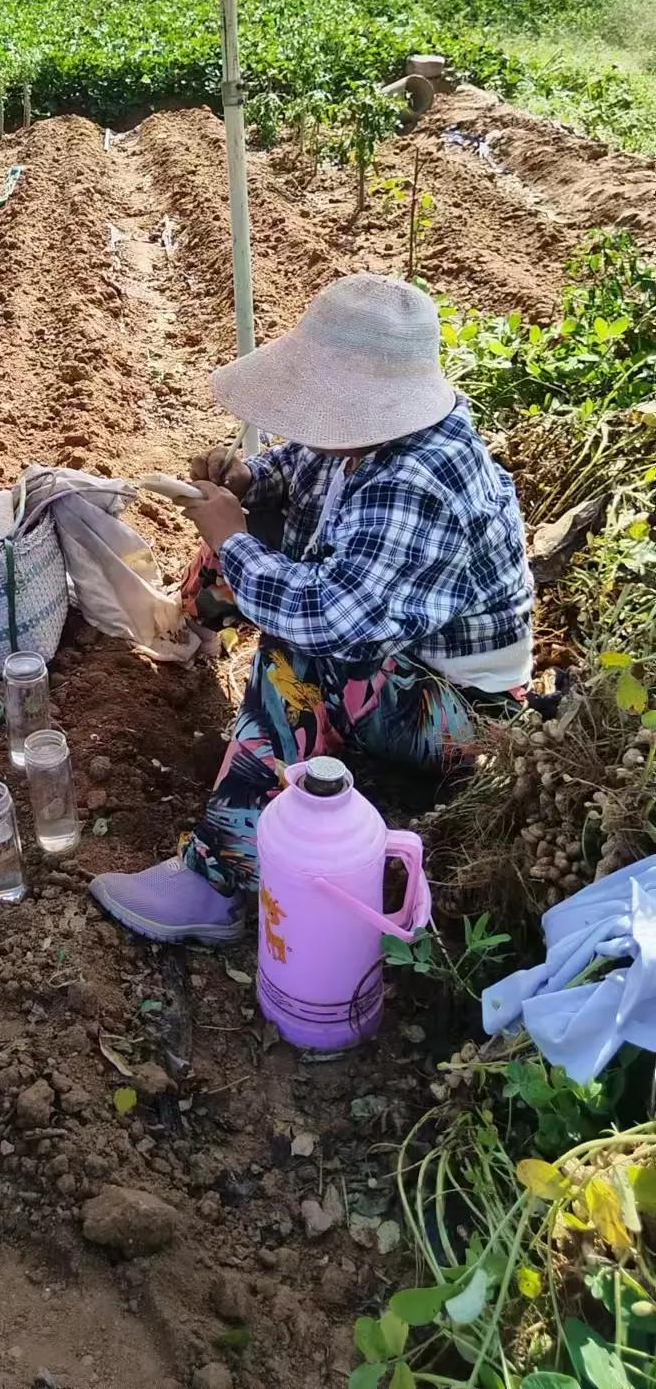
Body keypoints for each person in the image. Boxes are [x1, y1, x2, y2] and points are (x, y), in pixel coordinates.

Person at [90, 274, 534, 946]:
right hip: (401, 661)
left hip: (464, 715)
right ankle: (192, 634)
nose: (307, 421)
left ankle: (218, 879)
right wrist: (244, 482)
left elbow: (334, 619)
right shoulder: (369, 437)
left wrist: (231, 537)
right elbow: (300, 467)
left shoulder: (418, 478)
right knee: (249, 534)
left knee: (299, 648)